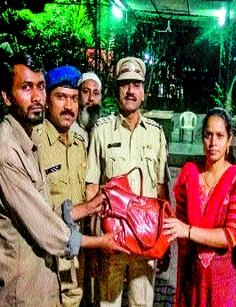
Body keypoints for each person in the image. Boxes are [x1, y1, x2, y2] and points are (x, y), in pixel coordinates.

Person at [0, 53, 128, 306]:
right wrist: (100, 242)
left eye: (40, 87)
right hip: (26, 286)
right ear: (6, 96)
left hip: (52, 274)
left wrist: (91, 207)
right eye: (26, 88)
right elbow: (45, 226)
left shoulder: (35, 142)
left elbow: (50, 207)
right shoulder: (11, 150)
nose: (36, 96)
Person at [85, 56, 169, 307]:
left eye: (136, 84)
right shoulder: (102, 131)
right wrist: (94, 239)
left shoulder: (156, 134)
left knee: (141, 303)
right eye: (124, 84)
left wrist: (165, 240)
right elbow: (92, 186)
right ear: (117, 89)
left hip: (146, 240)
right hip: (113, 238)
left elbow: (162, 190)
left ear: (143, 92)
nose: (130, 90)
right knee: (107, 303)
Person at [163, 107, 236, 307]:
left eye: (220, 136)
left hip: (224, 281)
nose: (213, 143)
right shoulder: (190, 175)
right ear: (202, 138)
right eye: (208, 135)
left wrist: (187, 230)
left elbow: (230, 236)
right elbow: (178, 228)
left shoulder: (235, 179)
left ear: (229, 140)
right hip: (194, 279)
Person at [32, 65, 87, 306]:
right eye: (60, 97)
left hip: (76, 261)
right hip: (46, 265)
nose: (68, 106)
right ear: (46, 101)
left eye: (74, 98)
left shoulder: (80, 141)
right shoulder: (34, 142)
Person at [72, 72, 102, 148]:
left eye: (96, 93)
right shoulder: (68, 130)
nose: (91, 98)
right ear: (77, 96)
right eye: (86, 92)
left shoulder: (105, 131)